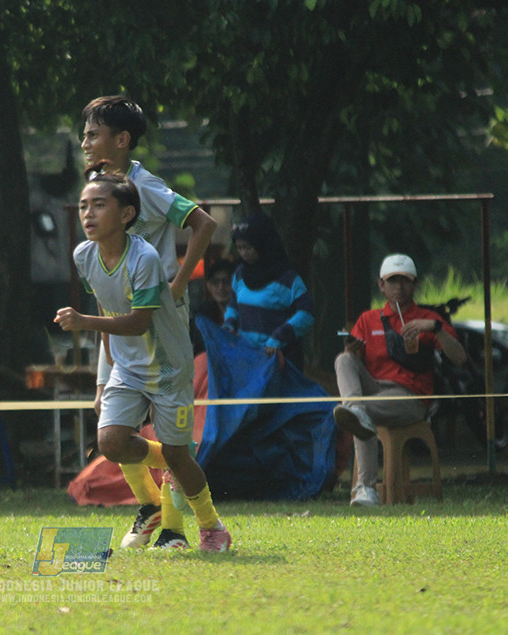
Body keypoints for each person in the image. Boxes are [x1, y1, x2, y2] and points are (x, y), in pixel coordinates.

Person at [55, 163, 231, 552]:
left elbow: (137, 322)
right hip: (128, 367)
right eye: (84, 206)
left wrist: (84, 321)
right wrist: (107, 366)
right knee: (111, 442)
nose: (88, 214)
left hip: (169, 367)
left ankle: (211, 525)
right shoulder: (84, 255)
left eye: (99, 206)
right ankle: (163, 475)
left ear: (126, 214)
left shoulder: (145, 258)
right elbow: (106, 301)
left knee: (178, 455)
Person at [80, 96, 218, 550]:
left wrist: (177, 284)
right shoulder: (97, 196)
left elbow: (203, 223)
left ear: (121, 140)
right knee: (113, 437)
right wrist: (102, 377)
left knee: (174, 441)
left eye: (93, 134)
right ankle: (154, 505)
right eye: (84, 134)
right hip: (126, 334)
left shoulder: (147, 186)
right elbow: (106, 302)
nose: (85, 142)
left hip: (160, 325)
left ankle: (178, 530)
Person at [333, 253, 467, 506]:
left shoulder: (428, 319)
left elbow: (460, 358)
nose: (398, 287)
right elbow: (353, 360)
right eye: (392, 281)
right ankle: (355, 407)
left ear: (414, 284)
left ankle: (366, 488)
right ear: (381, 285)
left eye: (404, 281)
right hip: (374, 389)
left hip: (410, 397)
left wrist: (434, 328)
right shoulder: (368, 319)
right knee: (343, 360)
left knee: (362, 413)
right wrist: (352, 348)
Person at [224, 212, 314, 370]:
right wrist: (229, 324)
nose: (244, 253)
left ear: (263, 244)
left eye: (248, 247)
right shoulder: (240, 274)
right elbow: (233, 304)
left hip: (280, 361)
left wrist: (279, 337)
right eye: (239, 248)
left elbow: (307, 313)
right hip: (247, 359)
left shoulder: (287, 278)